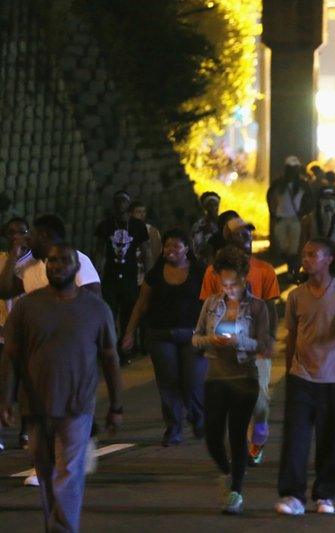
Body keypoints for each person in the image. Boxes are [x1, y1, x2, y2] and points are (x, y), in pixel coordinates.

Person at [0, 242, 123, 532]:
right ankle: (55, 525)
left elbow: (110, 357)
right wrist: (6, 400)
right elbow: (12, 356)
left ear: (77, 266)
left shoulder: (95, 308)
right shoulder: (28, 307)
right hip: (36, 406)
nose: (57, 266)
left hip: (77, 407)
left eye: (64, 261)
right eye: (53, 261)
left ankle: (63, 529)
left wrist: (116, 406)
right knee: (46, 475)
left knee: (68, 475)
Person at [276, 239, 335, 516]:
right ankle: (292, 495)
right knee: (295, 438)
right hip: (301, 376)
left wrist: (326, 345)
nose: (306, 259)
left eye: (313, 254)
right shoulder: (296, 295)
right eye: (304, 255)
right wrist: (289, 369)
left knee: (329, 439)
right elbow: (292, 336)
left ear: (329, 259)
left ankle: (325, 495)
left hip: (333, 379)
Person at [192, 246, 271, 515]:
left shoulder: (258, 307)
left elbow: (264, 344)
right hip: (215, 376)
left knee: (237, 436)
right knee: (212, 435)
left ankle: (236, 490)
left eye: (234, 283)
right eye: (223, 283)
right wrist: (210, 341)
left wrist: (241, 341)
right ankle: (227, 471)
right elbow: (195, 337)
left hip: (244, 376)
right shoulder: (211, 304)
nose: (229, 288)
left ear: (244, 277)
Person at [200, 217, 281, 466]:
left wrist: (269, 338)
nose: (247, 238)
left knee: (260, 401)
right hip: (225, 349)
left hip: (255, 344)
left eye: (249, 234)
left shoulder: (264, 270)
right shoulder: (213, 272)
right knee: (236, 400)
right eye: (241, 234)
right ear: (229, 239)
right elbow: (208, 306)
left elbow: (270, 307)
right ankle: (240, 452)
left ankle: (260, 430)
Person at [122, 229, 206, 446]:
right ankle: (173, 428)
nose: (171, 251)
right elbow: (141, 305)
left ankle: (197, 416)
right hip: (161, 335)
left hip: (192, 335)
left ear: (186, 249)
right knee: (168, 383)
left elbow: (212, 302)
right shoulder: (155, 274)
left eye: (176, 247)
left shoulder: (199, 272)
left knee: (193, 381)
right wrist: (130, 332)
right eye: (167, 246)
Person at [94, 190, 151, 362]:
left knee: (129, 312)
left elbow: (146, 251)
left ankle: (125, 348)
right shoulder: (105, 225)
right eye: (117, 201)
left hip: (130, 275)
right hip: (111, 275)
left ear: (128, 204)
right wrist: (96, 273)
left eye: (124, 201)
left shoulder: (137, 226)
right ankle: (108, 348)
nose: (120, 205)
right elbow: (99, 251)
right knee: (109, 312)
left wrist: (149, 275)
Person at [0, 218, 31, 452]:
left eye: (21, 232)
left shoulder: (37, 262)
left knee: (27, 387)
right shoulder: (2, 259)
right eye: (11, 233)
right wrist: (12, 254)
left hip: (28, 334)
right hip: (3, 332)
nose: (16, 236)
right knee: (3, 385)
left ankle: (26, 431)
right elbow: (3, 288)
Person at [268, 156, 310, 279]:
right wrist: (273, 213)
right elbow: (270, 196)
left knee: (294, 248)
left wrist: (304, 213)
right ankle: (290, 269)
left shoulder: (302, 184)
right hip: (281, 219)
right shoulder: (279, 183)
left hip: (295, 219)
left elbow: (310, 199)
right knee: (282, 247)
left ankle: (291, 270)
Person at [191, 192, 221, 263]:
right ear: (205, 207)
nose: (213, 207)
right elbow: (196, 246)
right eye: (210, 204)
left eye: (215, 204)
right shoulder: (198, 225)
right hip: (203, 263)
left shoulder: (224, 222)